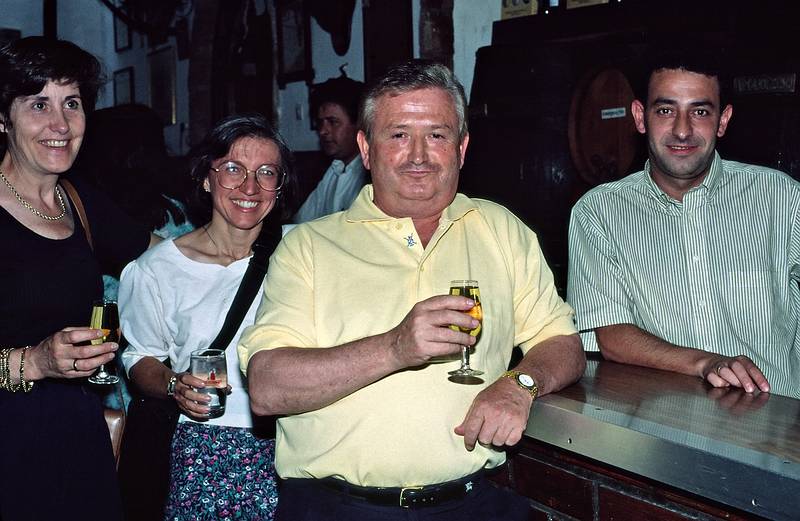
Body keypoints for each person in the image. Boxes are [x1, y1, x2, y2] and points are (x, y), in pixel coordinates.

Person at [239, 60, 585, 520]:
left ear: (462, 148)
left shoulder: (502, 229)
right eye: (399, 135)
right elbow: (267, 387)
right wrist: (396, 346)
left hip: (471, 505)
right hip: (337, 509)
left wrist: (519, 383)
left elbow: (562, 343)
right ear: (366, 148)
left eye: (438, 135)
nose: (419, 155)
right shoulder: (309, 245)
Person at [567, 48, 800, 398]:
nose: (682, 130)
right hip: (670, 430)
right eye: (665, 110)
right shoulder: (599, 212)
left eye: (700, 112)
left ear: (723, 120)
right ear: (639, 116)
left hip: (777, 429)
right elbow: (612, 336)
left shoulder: (782, 198)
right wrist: (705, 362)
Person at [0, 37, 157, 521]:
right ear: (2, 119)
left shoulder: (79, 201)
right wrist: (36, 361)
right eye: (38, 104)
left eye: (72, 103)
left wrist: (243, 213)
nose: (60, 125)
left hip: (75, 438)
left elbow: (167, 259)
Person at [119, 113, 297, 521]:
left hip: (294, 442)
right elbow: (139, 357)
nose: (249, 187)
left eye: (266, 173)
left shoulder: (301, 253)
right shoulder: (156, 269)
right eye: (233, 169)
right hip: (205, 448)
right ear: (206, 178)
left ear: (279, 187)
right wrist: (172, 383)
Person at [292, 75, 366, 222]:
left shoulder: (369, 177)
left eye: (333, 122)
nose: (322, 131)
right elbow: (301, 223)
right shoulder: (335, 169)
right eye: (320, 122)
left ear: (359, 125)